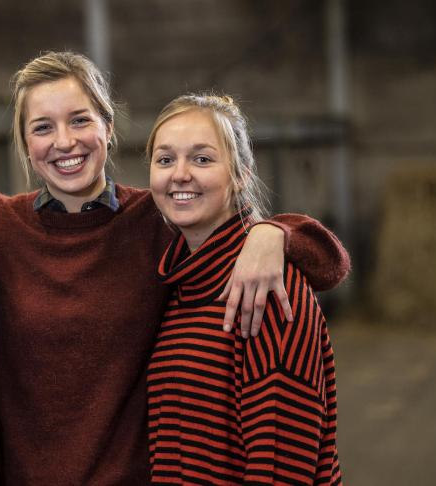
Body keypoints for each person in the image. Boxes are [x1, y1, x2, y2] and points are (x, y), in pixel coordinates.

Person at [0, 52, 349, 484]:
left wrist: (275, 231)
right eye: (42, 127)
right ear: (24, 144)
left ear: (107, 128)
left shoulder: (159, 218)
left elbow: (326, 262)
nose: (63, 141)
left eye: (80, 120)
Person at [146, 94, 341, 484]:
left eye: (202, 159)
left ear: (241, 174)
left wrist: (275, 232)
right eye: (165, 160)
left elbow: (281, 468)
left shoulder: (267, 289)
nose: (180, 174)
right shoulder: (181, 284)